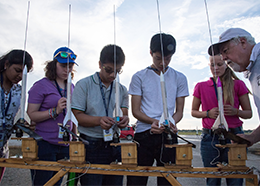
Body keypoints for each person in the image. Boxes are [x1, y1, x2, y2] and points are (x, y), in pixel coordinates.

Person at [127, 33, 189, 186]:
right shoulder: (139, 77)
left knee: (167, 181)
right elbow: (135, 111)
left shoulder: (179, 77)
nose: (163, 63)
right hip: (143, 134)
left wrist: (169, 122)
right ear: (150, 53)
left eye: (167, 59)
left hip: (168, 135)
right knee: (136, 180)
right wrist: (154, 122)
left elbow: (179, 111)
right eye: (158, 58)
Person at [71, 44, 129, 186]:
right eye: (108, 70)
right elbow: (77, 116)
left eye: (117, 71)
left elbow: (125, 113)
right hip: (91, 145)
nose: (113, 75)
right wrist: (99, 120)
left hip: (114, 145)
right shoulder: (84, 85)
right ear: (99, 64)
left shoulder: (122, 89)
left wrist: (125, 120)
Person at [191, 54, 252, 186]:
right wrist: (207, 113)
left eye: (219, 64)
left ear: (227, 64)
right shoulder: (201, 86)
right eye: (213, 65)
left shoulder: (238, 84)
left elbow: (249, 113)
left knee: (235, 179)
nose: (216, 68)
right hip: (209, 138)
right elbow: (193, 111)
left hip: (234, 136)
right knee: (212, 179)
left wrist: (237, 111)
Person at [27, 47, 77, 186]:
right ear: (53, 65)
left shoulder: (72, 87)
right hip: (45, 143)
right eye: (63, 65)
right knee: (43, 183)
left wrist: (74, 138)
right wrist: (54, 111)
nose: (67, 69)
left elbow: (73, 115)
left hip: (65, 143)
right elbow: (31, 114)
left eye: (70, 66)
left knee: (57, 182)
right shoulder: (41, 85)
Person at [207, 28, 260, 146]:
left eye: (226, 51)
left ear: (243, 42)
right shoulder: (252, 71)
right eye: (222, 54)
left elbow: (248, 112)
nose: (224, 58)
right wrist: (252, 137)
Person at [0, 49, 33, 182]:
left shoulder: (19, 91)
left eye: (24, 73)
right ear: (6, 64)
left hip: (2, 150)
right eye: (17, 70)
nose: (20, 76)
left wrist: (20, 126)